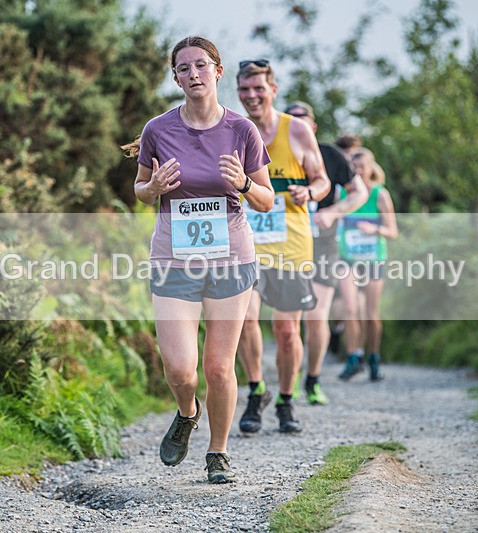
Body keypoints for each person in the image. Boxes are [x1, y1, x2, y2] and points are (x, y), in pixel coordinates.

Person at [131, 36, 274, 483]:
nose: (192, 74)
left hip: (230, 257)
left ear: (218, 71)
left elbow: (268, 200)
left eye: (200, 65)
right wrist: (153, 189)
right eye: (183, 68)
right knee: (180, 369)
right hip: (174, 258)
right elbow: (138, 190)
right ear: (175, 77)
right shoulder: (158, 129)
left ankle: (218, 453)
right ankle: (187, 412)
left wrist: (244, 185)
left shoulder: (241, 130)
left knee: (218, 365)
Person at [236, 60, 330, 434]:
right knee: (245, 319)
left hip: (291, 242)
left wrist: (310, 191)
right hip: (245, 242)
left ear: (273, 90)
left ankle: (287, 400)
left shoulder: (297, 131)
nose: (251, 96)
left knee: (288, 331)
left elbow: (322, 180)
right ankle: (256, 389)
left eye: (259, 88)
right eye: (245, 89)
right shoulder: (233, 129)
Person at [283, 101, 367, 405]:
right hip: (286, 246)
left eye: (302, 122)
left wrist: (334, 212)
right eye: (290, 121)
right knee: (289, 320)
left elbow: (360, 192)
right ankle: (287, 381)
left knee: (316, 316)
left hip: (323, 244)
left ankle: (313, 378)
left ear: (313, 127)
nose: (297, 126)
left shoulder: (330, 155)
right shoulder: (272, 153)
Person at [337, 151, 398, 381]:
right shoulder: (344, 193)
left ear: (372, 168)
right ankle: (353, 357)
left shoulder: (380, 195)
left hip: (373, 260)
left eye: (363, 167)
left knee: (372, 314)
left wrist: (376, 229)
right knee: (349, 309)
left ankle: (374, 356)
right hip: (347, 259)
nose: (359, 171)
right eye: (355, 167)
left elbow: (393, 231)